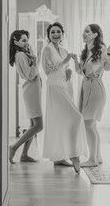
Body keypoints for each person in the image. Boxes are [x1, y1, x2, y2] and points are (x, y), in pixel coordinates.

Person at [41, 22, 88, 174]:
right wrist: (66, 60)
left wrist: (69, 71)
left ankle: (59, 156)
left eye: (58, 32)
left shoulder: (63, 49)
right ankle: (74, 154)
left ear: (62, 34)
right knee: (76, 117)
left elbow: (65, 69)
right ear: (49, 35)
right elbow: (48, 71)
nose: (56, 34)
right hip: (55, 87)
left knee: (62, 120)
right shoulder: (47, 49)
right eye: (53, 32)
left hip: (65, 86)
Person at [72, 24, 110, 167]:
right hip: (86, 89)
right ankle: (97, 157)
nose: (83, 34)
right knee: (91, 125)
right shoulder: (85, 52)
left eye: (87, 31)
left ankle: (92, 159)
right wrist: (75, 60)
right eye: (83, 32)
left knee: (88, 124)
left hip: (96, 89)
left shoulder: (102, 50)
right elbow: (80, 72)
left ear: (95, 35)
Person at [8, 30, 44, 164]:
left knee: (32, 125)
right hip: (31, 89)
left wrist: (34, 58)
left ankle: (24, 154)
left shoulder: (23, 54)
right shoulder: (21, 55)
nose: (26, 42)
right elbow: (30, 75)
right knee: (39, 126)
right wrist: (34, 60)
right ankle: (14, 147)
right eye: (23, 40)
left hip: (33, 88)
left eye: (27, 40)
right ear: (15, 42)